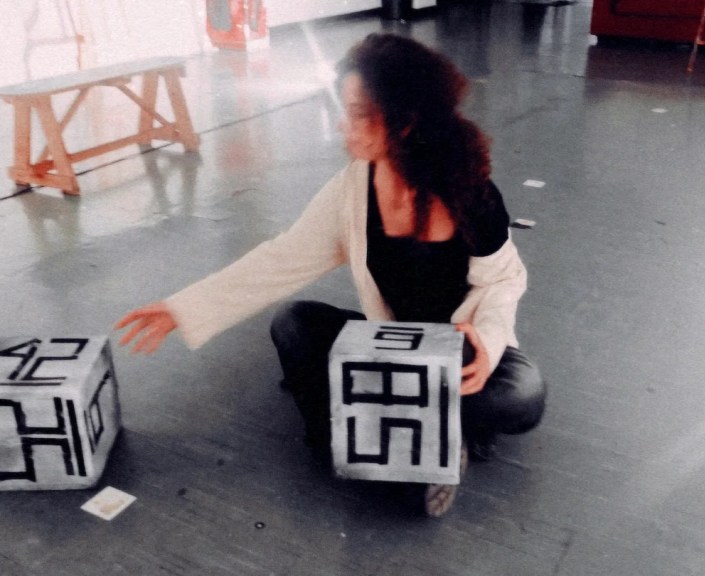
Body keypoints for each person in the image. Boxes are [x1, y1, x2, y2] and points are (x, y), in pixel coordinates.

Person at [116, 33, 546, 517]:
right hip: (386, 347)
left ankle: (401, 425)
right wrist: (183, 308)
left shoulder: (471, 191)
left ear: (405, 120)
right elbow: (282, 259)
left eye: (358, 114)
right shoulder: (351, 190)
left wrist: (488, 344)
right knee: (294, 323)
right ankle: (421, 430)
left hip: (456, 349)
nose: (343, 126)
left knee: (522, 395)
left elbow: (503, 280)